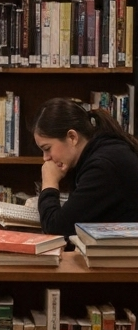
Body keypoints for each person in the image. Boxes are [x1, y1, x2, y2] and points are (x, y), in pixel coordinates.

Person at [33, 97, 138, 237]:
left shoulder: (103, 167)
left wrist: (49, 183)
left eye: (47, 148)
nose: (45, 158)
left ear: (72, 137)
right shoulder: (99, 153)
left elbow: (56, 229)